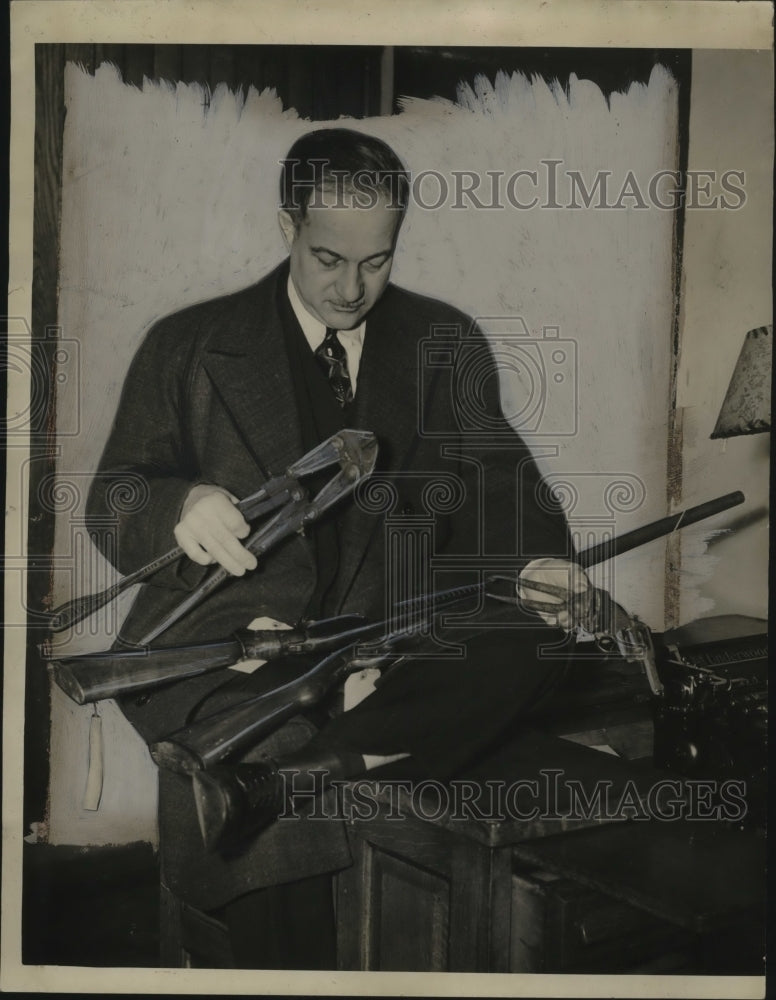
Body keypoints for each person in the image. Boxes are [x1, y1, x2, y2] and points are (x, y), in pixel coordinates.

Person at [86, 128, 590, 968]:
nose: (353, 287)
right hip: (236, 652)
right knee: (268, 797)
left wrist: (536, 563)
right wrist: (181, 504)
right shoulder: (187, 343)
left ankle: (335, 747)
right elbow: (115, 495)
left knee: (534, 640)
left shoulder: (444, 339)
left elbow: (502, 489)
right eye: (328, 258)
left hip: (389, 643)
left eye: (377, 261)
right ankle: (302, 762)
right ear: (287, 222)